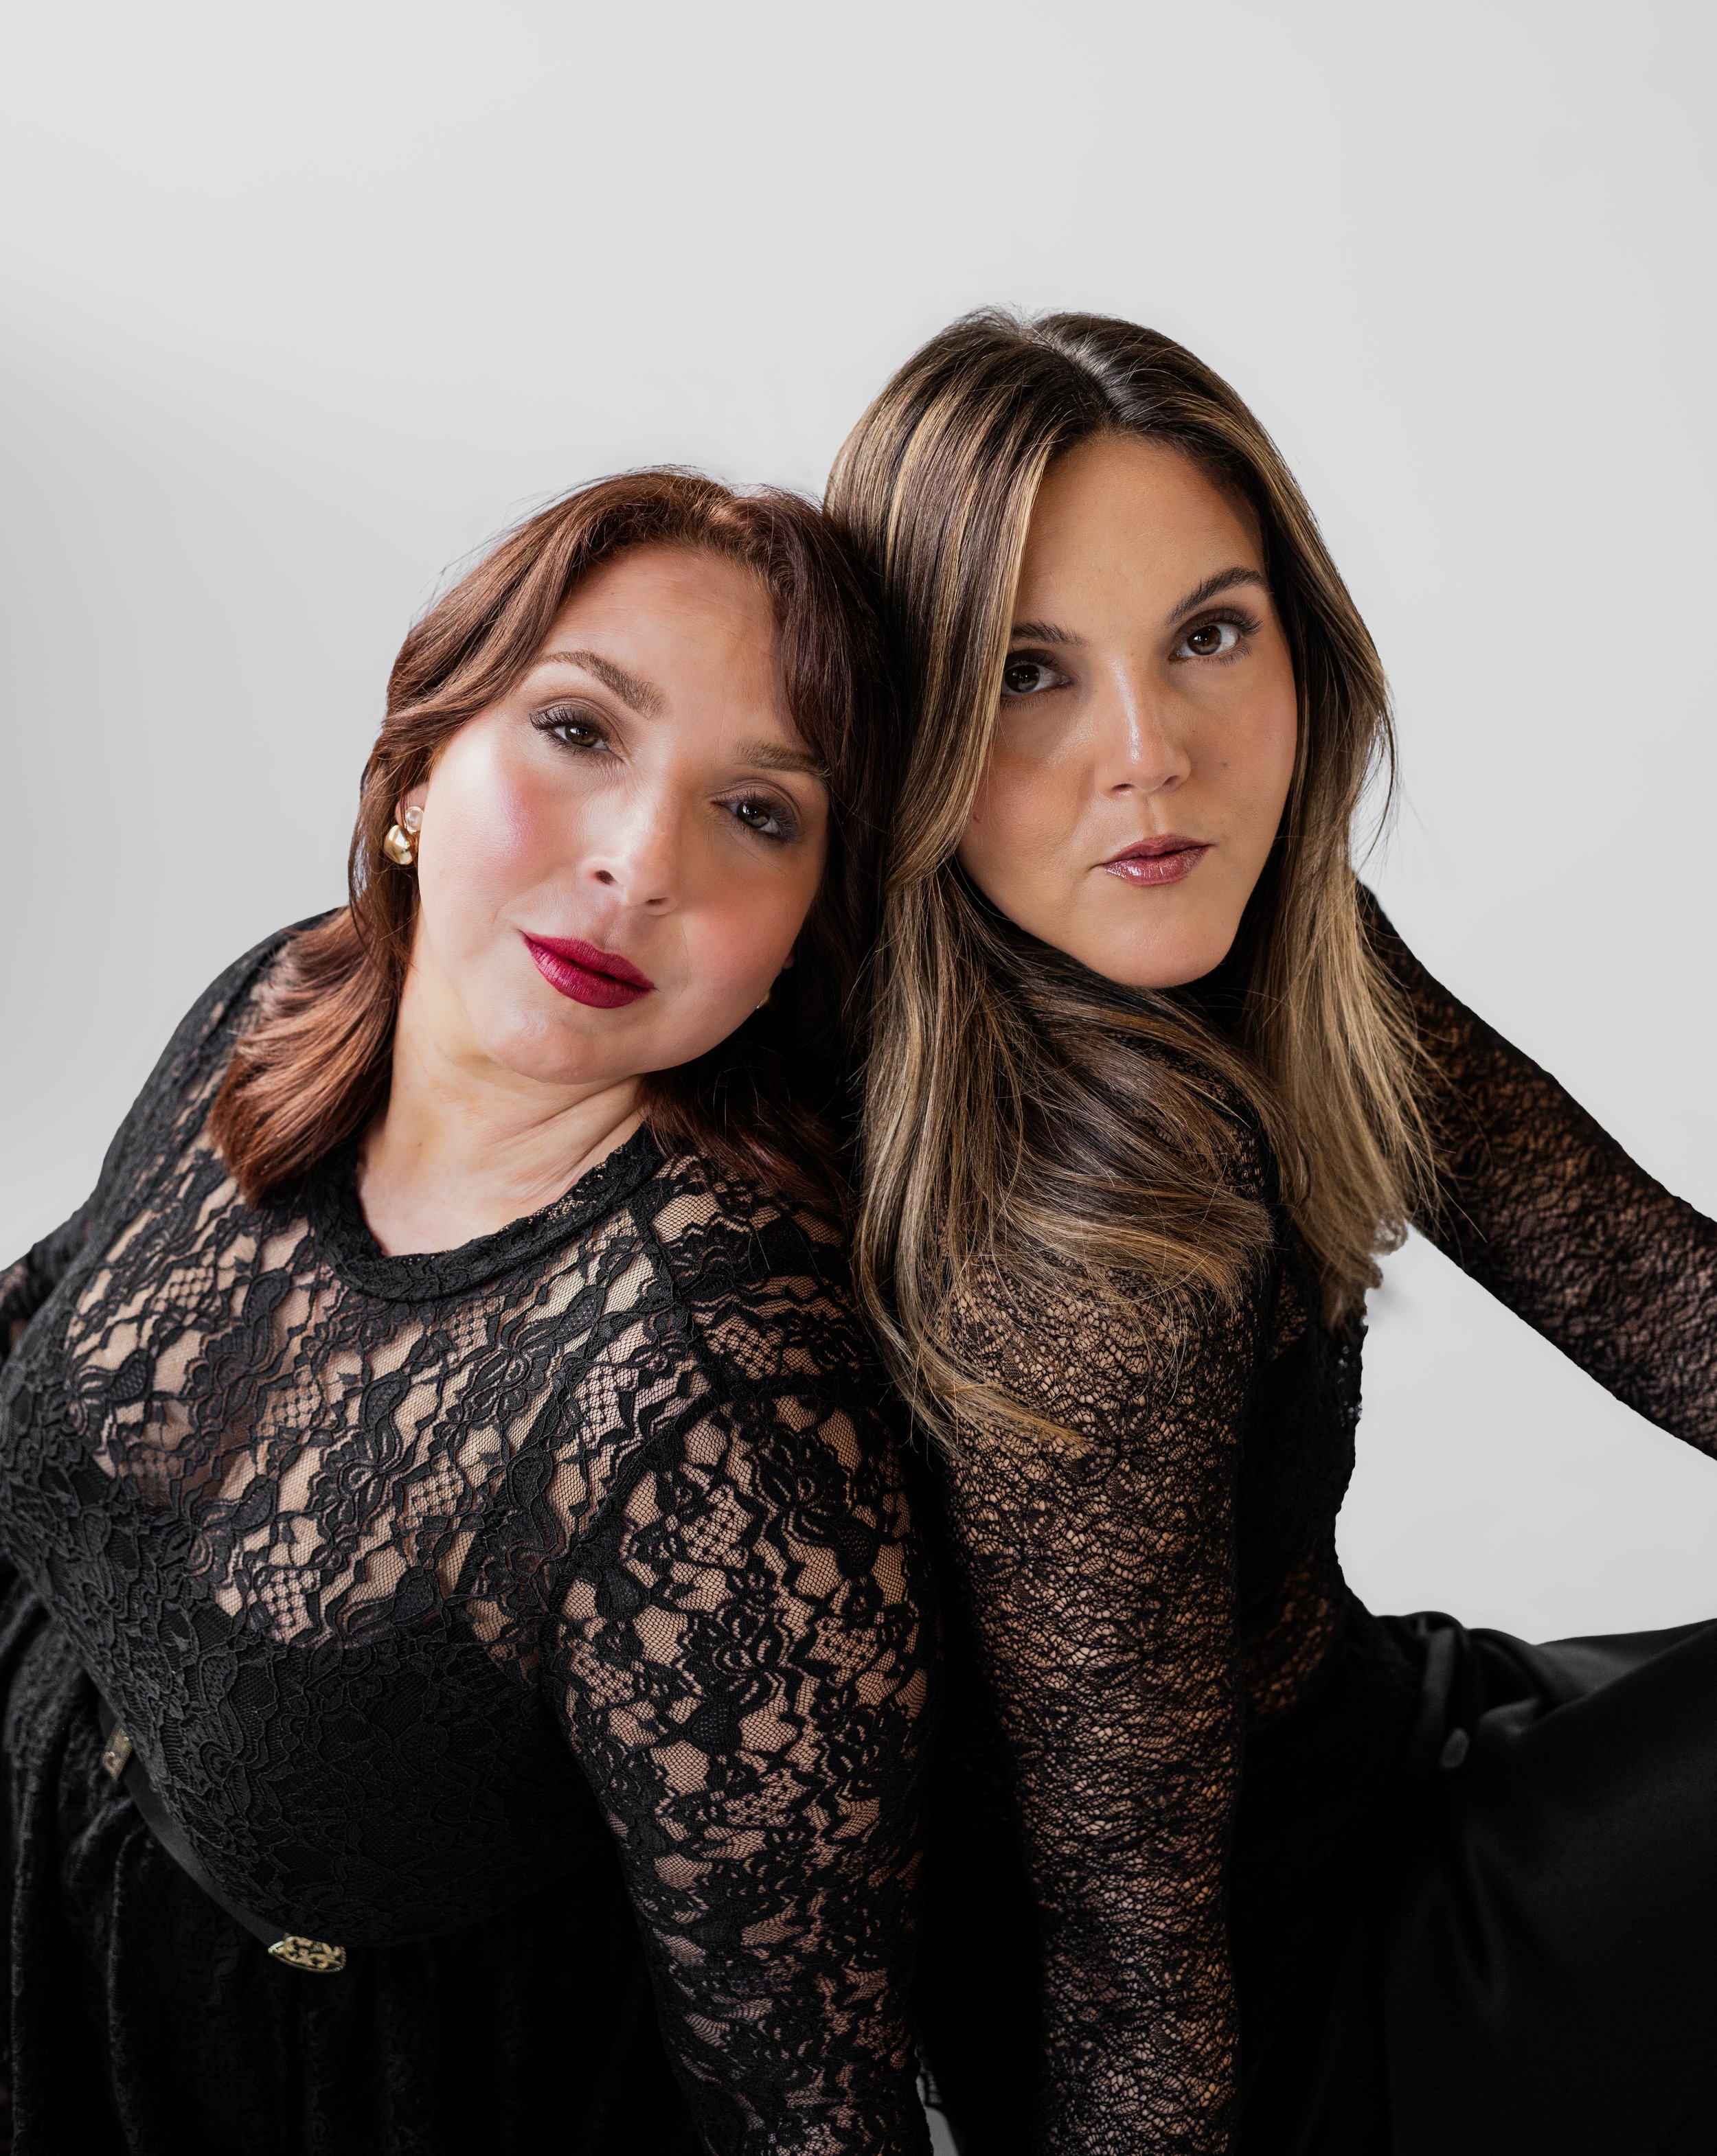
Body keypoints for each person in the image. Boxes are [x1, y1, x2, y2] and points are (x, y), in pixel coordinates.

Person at [824, 312, 1717, 2155]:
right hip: (1300, 2031)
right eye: (1025, 674)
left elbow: (1652, 1289)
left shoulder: (1267, 934)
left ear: (1299, 646)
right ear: (904, 723)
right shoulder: (1076, 1254)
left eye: (1207, 633)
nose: (1150, 756)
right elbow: (1132, 1970)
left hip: (1380, 1738)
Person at [0, 472, 936, 2156]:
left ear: (804, 934)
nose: (636, 860)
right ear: (420, 763)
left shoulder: (715, 1414)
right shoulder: (281, 996)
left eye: (760, 813)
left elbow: (806, 2112)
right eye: (581, 729)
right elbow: (50, 1328)